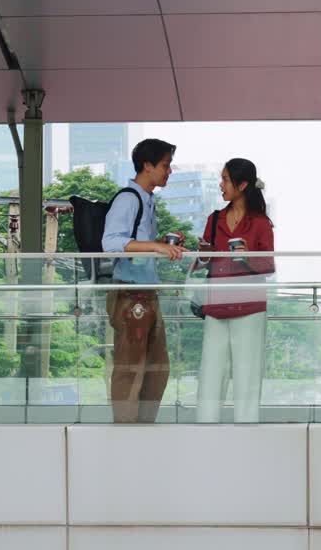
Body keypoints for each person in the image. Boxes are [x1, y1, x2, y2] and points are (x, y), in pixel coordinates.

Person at [102, 138, 183, 424]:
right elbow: (110, 242)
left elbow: (135, 244)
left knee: (157, 367)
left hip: (146, 292)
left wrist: (159, 243)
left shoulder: (148, 201)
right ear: (147, 165)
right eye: (165, 164)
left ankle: (144, 427)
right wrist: (155, 247)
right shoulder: (129, 198)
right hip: (130, 294)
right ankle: (126, 432)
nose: (169, 171)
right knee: (130, 367)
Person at [195, 158, 275, 424]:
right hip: (216, 306)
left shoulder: (261, 223)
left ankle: (247, 431)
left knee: (247, 374)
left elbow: (268, 266)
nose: (221, 184)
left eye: (226, 179)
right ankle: (205, 430)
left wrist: (246, 256)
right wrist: (203, 254)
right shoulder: (214, 218)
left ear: (242, 185)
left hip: (249, 307)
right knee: (210, 373)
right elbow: (202, 263)